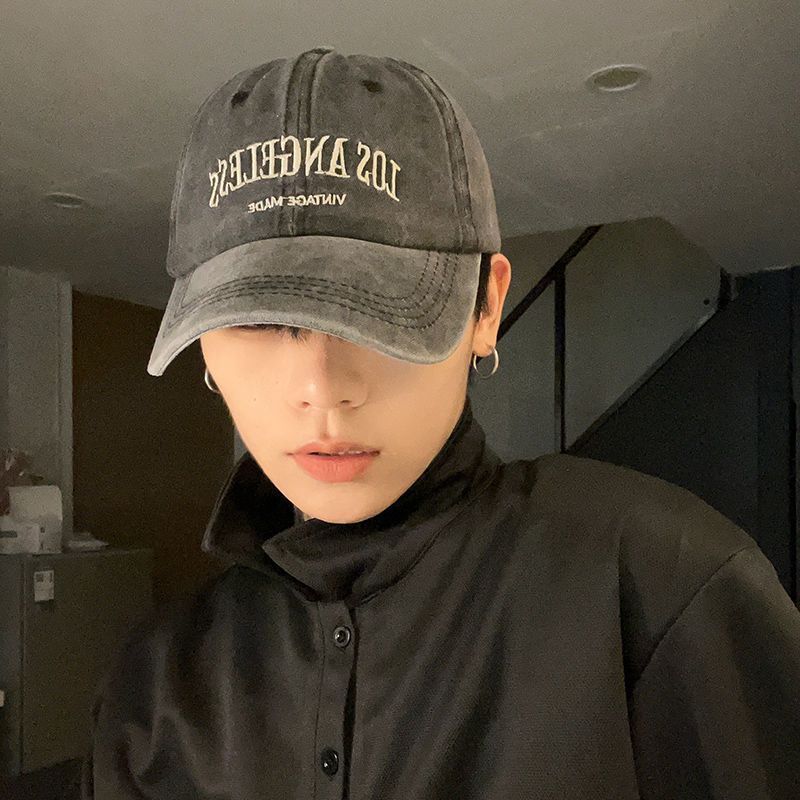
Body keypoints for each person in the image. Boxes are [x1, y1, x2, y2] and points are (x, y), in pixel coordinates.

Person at [81, 48, 800, 799]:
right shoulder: (154, 688)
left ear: (485, 307)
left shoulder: (659, 594)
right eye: (258, 319)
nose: (321, 388)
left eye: (377, 309)